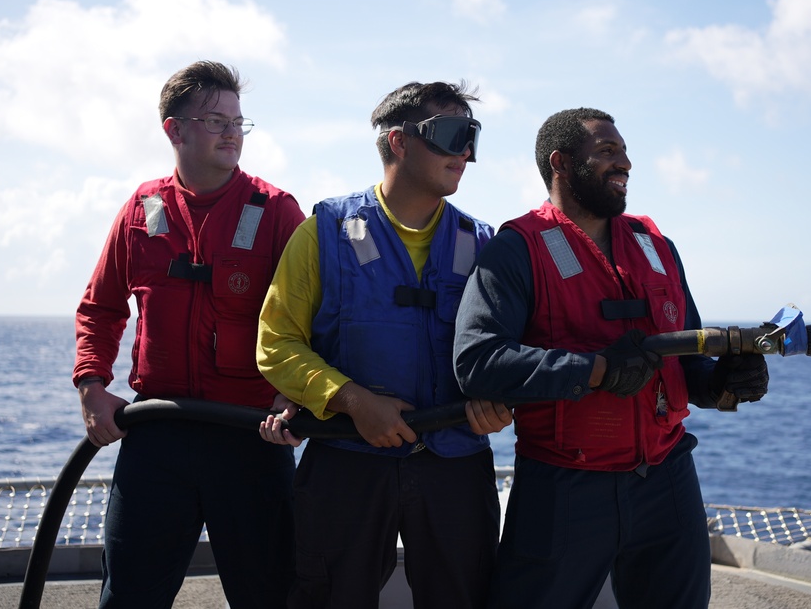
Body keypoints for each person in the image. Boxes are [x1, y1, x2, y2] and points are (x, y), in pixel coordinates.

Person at [453, 108, 770, 609]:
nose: (624, 163)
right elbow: (477, 361)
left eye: (623, 151)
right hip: (564, 486)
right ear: (560, 163)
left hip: (666, 479)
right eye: (607, 152)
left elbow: (686, 362)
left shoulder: (656, 246)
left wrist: (724, 383)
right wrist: (595, 369)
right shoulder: (518, 250)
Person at [256, 81, 513, 609]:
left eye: (472, 137)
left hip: (456, 463)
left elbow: (509, 349)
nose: (464, 151)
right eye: (451, 134)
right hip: (346, 463)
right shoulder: (323, 232)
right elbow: (276, 342)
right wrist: (354, 401)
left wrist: (499, 401)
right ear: (398, 142)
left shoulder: (485, 244)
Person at [72, 61, 305, 609]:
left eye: (239, 122)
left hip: (250, 435)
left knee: (270, 596)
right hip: (158, 434)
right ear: (174, 130)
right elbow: (101, 307)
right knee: (129, 597)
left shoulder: (275, 212)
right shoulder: (141, 209)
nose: (231, 132)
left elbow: (314, 319)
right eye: (216, 119)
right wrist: (91, 384)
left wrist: (295, 394)